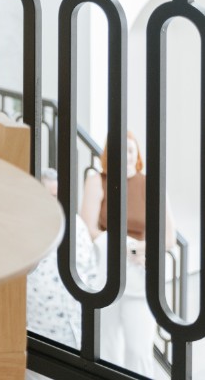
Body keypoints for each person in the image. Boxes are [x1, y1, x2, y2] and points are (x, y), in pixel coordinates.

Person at [79, 131, 173, 374]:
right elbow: (88, 229)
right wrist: (125, 245)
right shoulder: (96, 181)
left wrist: (140, 249)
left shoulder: (151, 183)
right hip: (105, 272)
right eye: (119, 150)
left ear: (137, 153)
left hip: (139, 274)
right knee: (105, 347)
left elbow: (168, 238)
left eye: (130, 150)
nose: (126, 155)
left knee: (139, 350)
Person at [26, 168, 98, 348]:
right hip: (37, 329)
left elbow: (91, 269)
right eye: (51, 196)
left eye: (59, 195)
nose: (56, 201)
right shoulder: (27, 227)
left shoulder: (77, 225)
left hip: (74, 328)